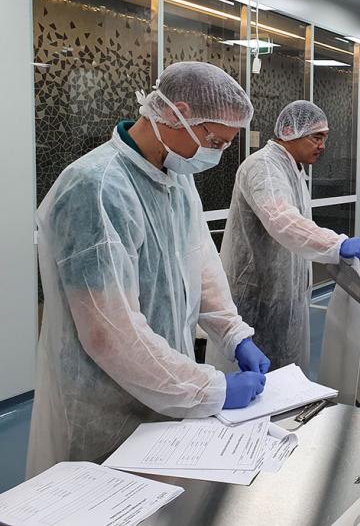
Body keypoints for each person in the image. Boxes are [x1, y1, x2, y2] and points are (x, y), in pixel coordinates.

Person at [28, 62, 271, 477]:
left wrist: (233, 334)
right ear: (177, 115)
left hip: (168, 395)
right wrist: (209, 389)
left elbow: (201, 266)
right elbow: (110, 334)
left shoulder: (175, 178)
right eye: (215, 140)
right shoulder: (97, 187)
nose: (217, 153)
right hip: (106, 409)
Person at [221, 100, 360, 372]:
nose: (323, 145)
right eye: (316, 137)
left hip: (285, 293)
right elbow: (282, 220)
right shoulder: (264, 168)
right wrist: (337, 244)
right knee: (258, 380)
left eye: (325, 137)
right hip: (256, 297)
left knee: (286, 376)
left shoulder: (293, 169)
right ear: (288, 131)